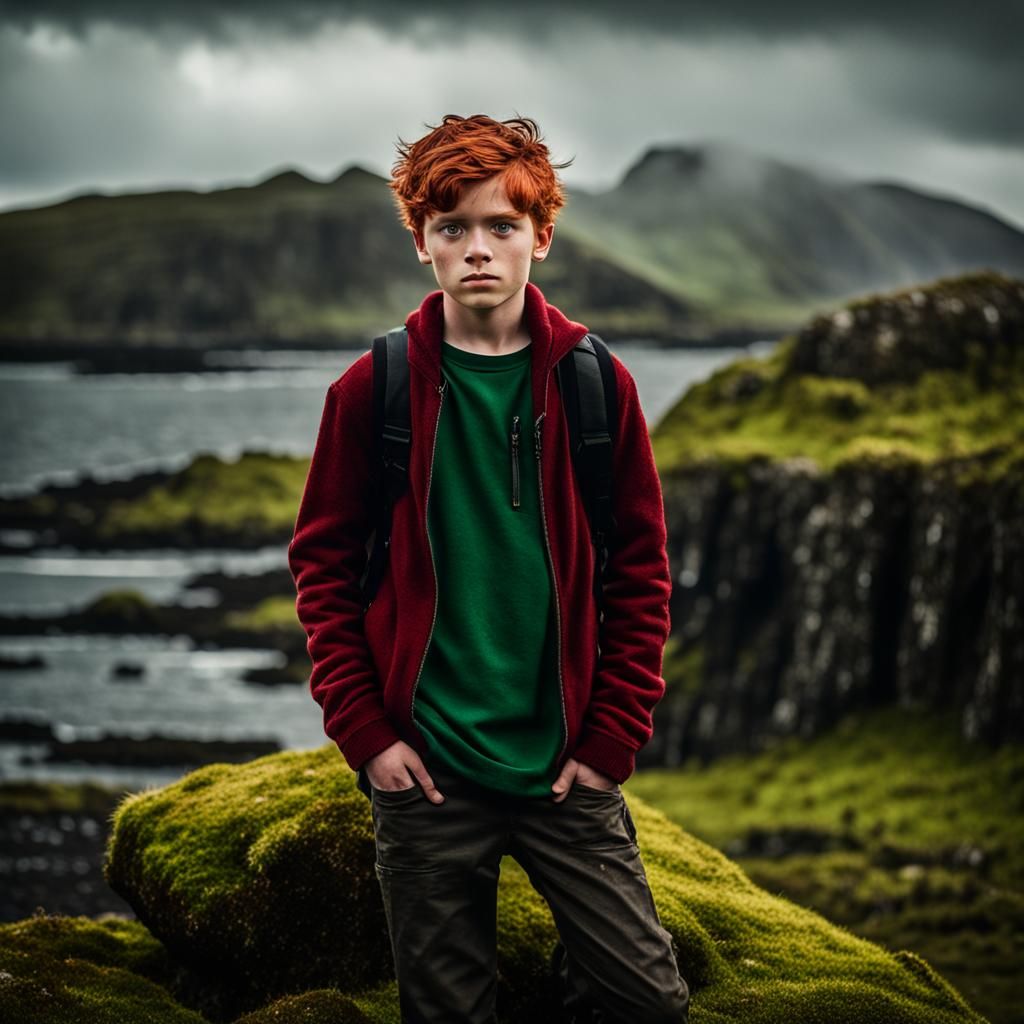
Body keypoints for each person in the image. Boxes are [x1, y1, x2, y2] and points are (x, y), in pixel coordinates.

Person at [287, 113, 689, 1024]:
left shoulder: (596, 384)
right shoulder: (372, 388)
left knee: (646, 1000)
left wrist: (609, 742)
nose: (479, 249)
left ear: (541, 237)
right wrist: (366, 734)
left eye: (502, 226)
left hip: (564, 770)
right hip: (426, 774)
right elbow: (322, 566)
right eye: (453, 228)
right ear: (421, 242)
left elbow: (641, 573)